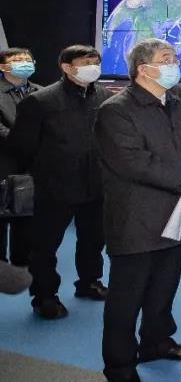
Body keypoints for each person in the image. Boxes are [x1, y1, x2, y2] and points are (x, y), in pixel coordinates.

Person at [94, 39, 181, 382]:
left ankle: (157, 342)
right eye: (166, 59)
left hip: (180, 212)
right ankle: (120, 366)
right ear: (143, 69)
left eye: (174, 58)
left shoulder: (177, 103)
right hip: (137, 219)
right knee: (126, 298)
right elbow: (135, 163)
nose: (175, 64)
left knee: (163, 288)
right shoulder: (116, 111)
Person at [12, 45, 110, 320]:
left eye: (96, 62)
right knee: (45, 246)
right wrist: (44, 171)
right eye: (86, 62)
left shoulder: (106, 97)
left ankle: (89, 282)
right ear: (67, 67)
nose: (93, 67)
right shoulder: (40, 101)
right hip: (54, 187)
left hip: (96, 184)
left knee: (93, 239)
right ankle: (45, 296)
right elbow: (22, 146)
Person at [0, 48, 40, 268]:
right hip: (4, 163)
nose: (25, 63)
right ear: (3, 66)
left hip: (33, 167)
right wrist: (27, 141)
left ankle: (21, 266)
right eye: (17, 60)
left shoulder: (42, 92)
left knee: (27, 219)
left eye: (28, 60)